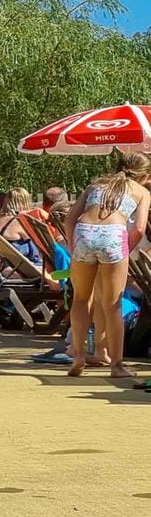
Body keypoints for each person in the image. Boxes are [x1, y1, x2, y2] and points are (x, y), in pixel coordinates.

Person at [65, 152, 151, 378]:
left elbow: (70, 218)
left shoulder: (96, 184)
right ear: (145, 174)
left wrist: (73, 246)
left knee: (81, 299)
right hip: (113, 234)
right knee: (113, 305)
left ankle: (79, 356)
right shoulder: (141, 191)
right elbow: (140, 229)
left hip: (84, 232)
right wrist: (126, 250)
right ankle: (117, 365)